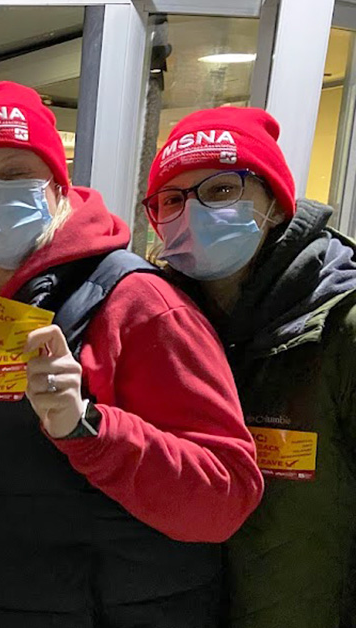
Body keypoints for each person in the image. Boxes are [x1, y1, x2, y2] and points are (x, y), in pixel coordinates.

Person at [0, 82, 264, 628]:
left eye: (17, 173)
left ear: (56, 185)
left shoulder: (138, 305)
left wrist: (90, 428)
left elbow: (224, 496)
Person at [144, 106, 356, 628]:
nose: (193, 213)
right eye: (173, 199)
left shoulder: (341, 328)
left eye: (220, 190)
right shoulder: (159, 324)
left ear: (275, 206)